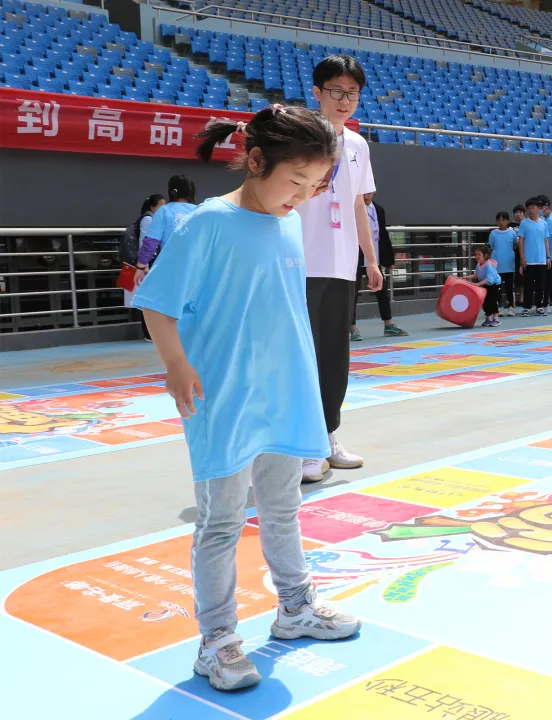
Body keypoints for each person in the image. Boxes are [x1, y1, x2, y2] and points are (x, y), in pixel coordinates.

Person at [133, 105, 360, 693]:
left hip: (282, 394)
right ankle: (217, 639)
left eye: (316, 187)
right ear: (256, 161)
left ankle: (294, 608)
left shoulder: (286, 222)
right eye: (296, 182)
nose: (304, 198)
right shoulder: (209, 223)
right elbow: (157, 301)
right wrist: (176, 364)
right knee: (222, 520)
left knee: (282, 509)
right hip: (225, 397)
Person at [296, 54, 383, 483]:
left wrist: (370, 258)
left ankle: (328, 436)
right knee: (301, 357)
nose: (344, 99)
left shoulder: (358, 145)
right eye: (336, 91)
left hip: (341, 266)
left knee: (335, 356)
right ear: (317, 92)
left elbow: (356, 205)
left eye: (352, 93)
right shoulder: (299, 138)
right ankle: (303, 447)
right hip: (300, 264)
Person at [350, 192, 407, 340]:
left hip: (373, 259)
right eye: (364, 191)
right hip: (355, 257)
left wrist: (388, 259)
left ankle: (389, 324)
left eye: (369, 191)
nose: (367, 194)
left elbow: (383, 235)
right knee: (352, 294)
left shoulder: (378, 209)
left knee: (382, 292)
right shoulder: (353, 208)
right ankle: (352, 327)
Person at [134, 175, 197, 287]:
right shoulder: (199, 210)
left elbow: (150, 242)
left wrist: (141, 266)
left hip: (169, 268)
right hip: (196, 269)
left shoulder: (164, 211)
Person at [122, 194, 165, 340]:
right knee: (149, 300)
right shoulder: (148, 220)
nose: (163, 209)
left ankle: (150, 333)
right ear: (153, 207)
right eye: (161, 206)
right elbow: (145, 242)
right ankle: (149, 333)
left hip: (147, 263)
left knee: (148, 299)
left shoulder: (149, 219)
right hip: (147, 265)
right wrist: (144, 265)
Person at [517, 197, 551, 317]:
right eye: (529, 208)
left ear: (538, 209)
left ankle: (539, 306)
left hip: (541, 260)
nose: (531, 210)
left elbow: (546, 240)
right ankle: (526, 307)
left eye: (533, 208)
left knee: (541, 285)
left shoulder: (543, 223)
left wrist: (548, 257)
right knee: (528, 285)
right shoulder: (524, 223)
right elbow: (521, 240)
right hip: (529, 260)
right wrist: (522, 257)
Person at [489, 211, 519, 316]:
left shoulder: (512, 233)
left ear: (507, 221)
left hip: (509, 264)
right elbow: (491, 247)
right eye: (499, 220)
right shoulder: (493, 233)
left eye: (503, 220)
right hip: (497, 265)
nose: (501, 222)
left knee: (509, 288)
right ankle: (498, 307)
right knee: (497, 288)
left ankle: (511, 306)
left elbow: (516, 244)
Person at [466, 243, 502, 327]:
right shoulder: (478, 265)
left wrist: (478, 284)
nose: (477, 256)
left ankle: (496, 318)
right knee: (485, 301)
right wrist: (467, 277)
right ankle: (488, 317)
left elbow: (489, 279)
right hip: (486, 285)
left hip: (494, 285)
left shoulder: (488, 266)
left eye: (479, 254)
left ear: (485, 255)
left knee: (492, 301)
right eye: (475, 254)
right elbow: (476, 275)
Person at [511, 204, 526, 307]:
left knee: (523, 274)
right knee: (513, 274)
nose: (518, 214)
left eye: (520, 212)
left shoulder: (527, 224)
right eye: (516, 212)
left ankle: (522, 297)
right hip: (512, 252)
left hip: (524, 252)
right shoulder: (510, 225)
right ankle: (512, 298)